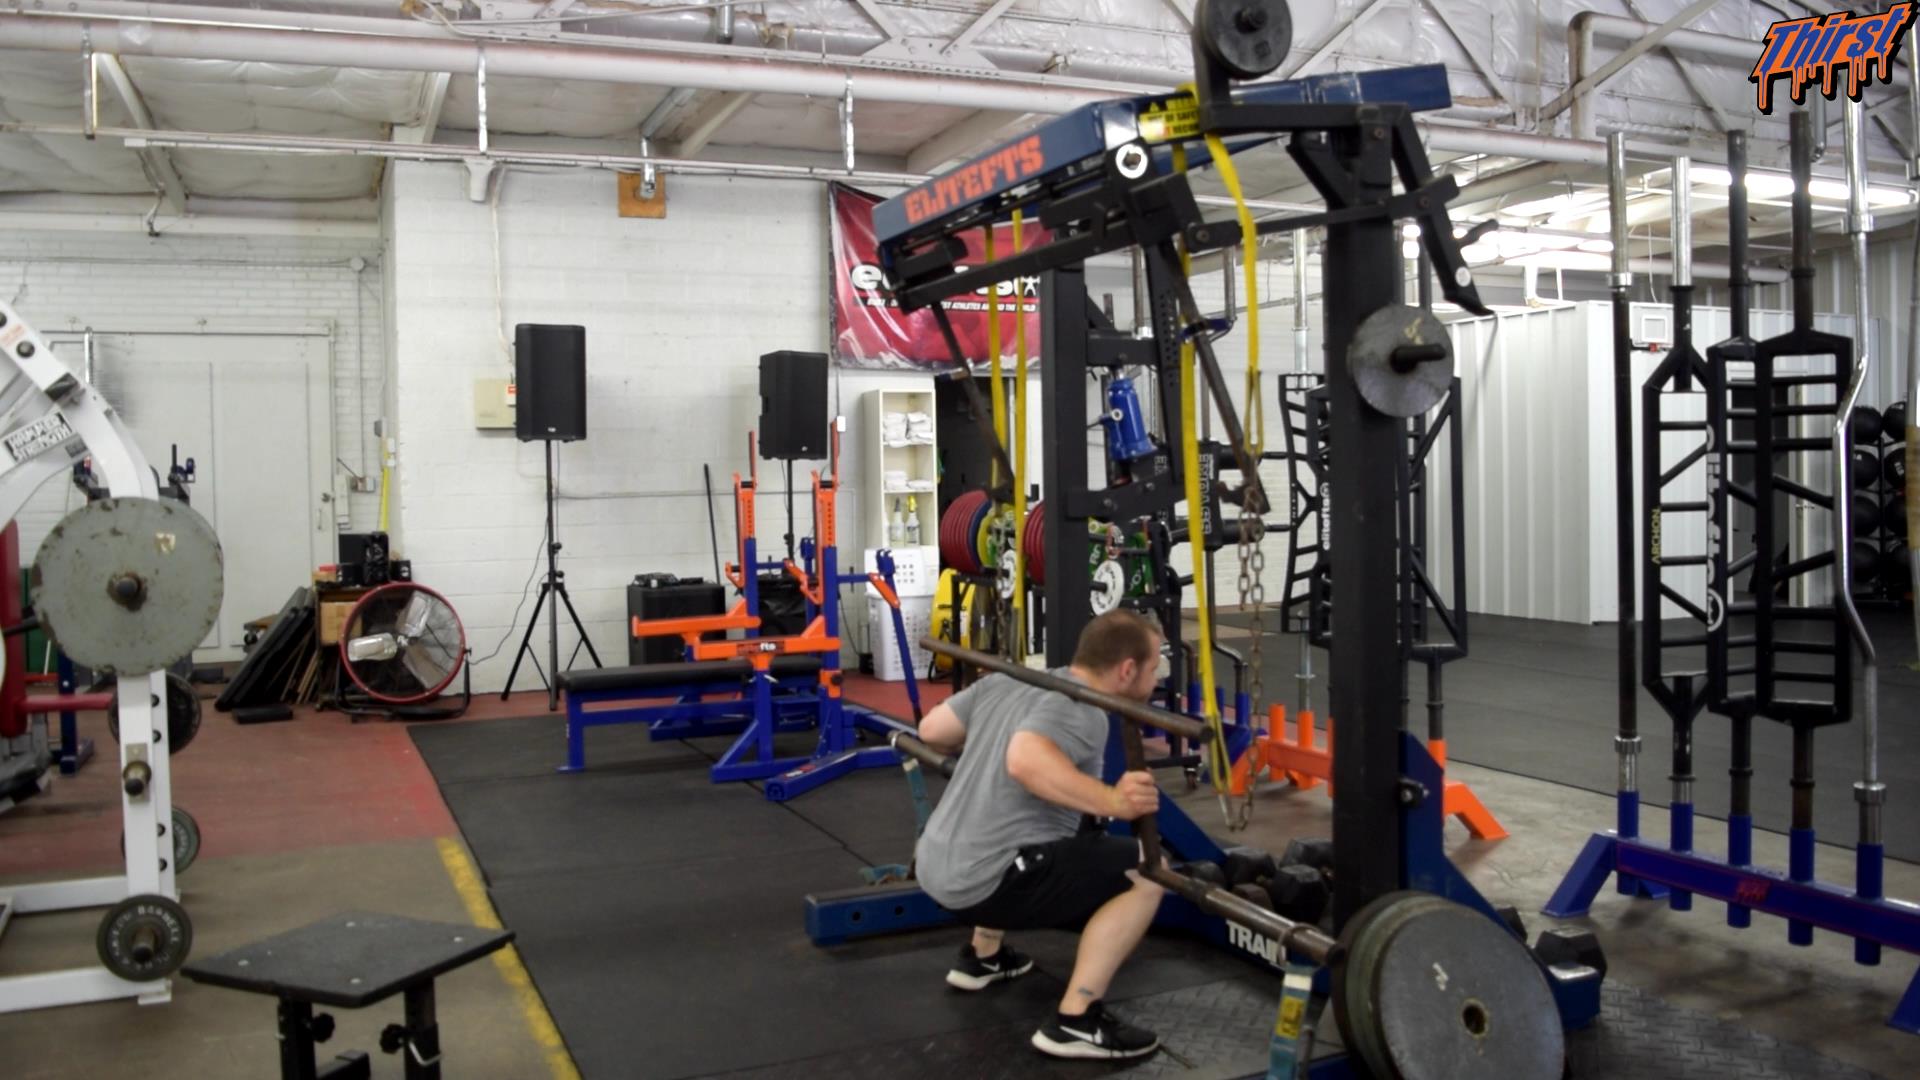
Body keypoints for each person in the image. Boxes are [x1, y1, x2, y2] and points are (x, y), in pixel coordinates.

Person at [912, 609, 1168, 1060]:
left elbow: (931, 731)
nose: (1156, 674)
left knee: (1020, 826)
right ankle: (1076, 1020)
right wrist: (1114, 802)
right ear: (1127, 670)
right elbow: (1024, 761)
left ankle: (983, 957)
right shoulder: (1084, 708)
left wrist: (985, 744)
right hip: (985, 882)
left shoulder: (1013, 680)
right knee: (1149, 871)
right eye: (1153, 667)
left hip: (932, 867)